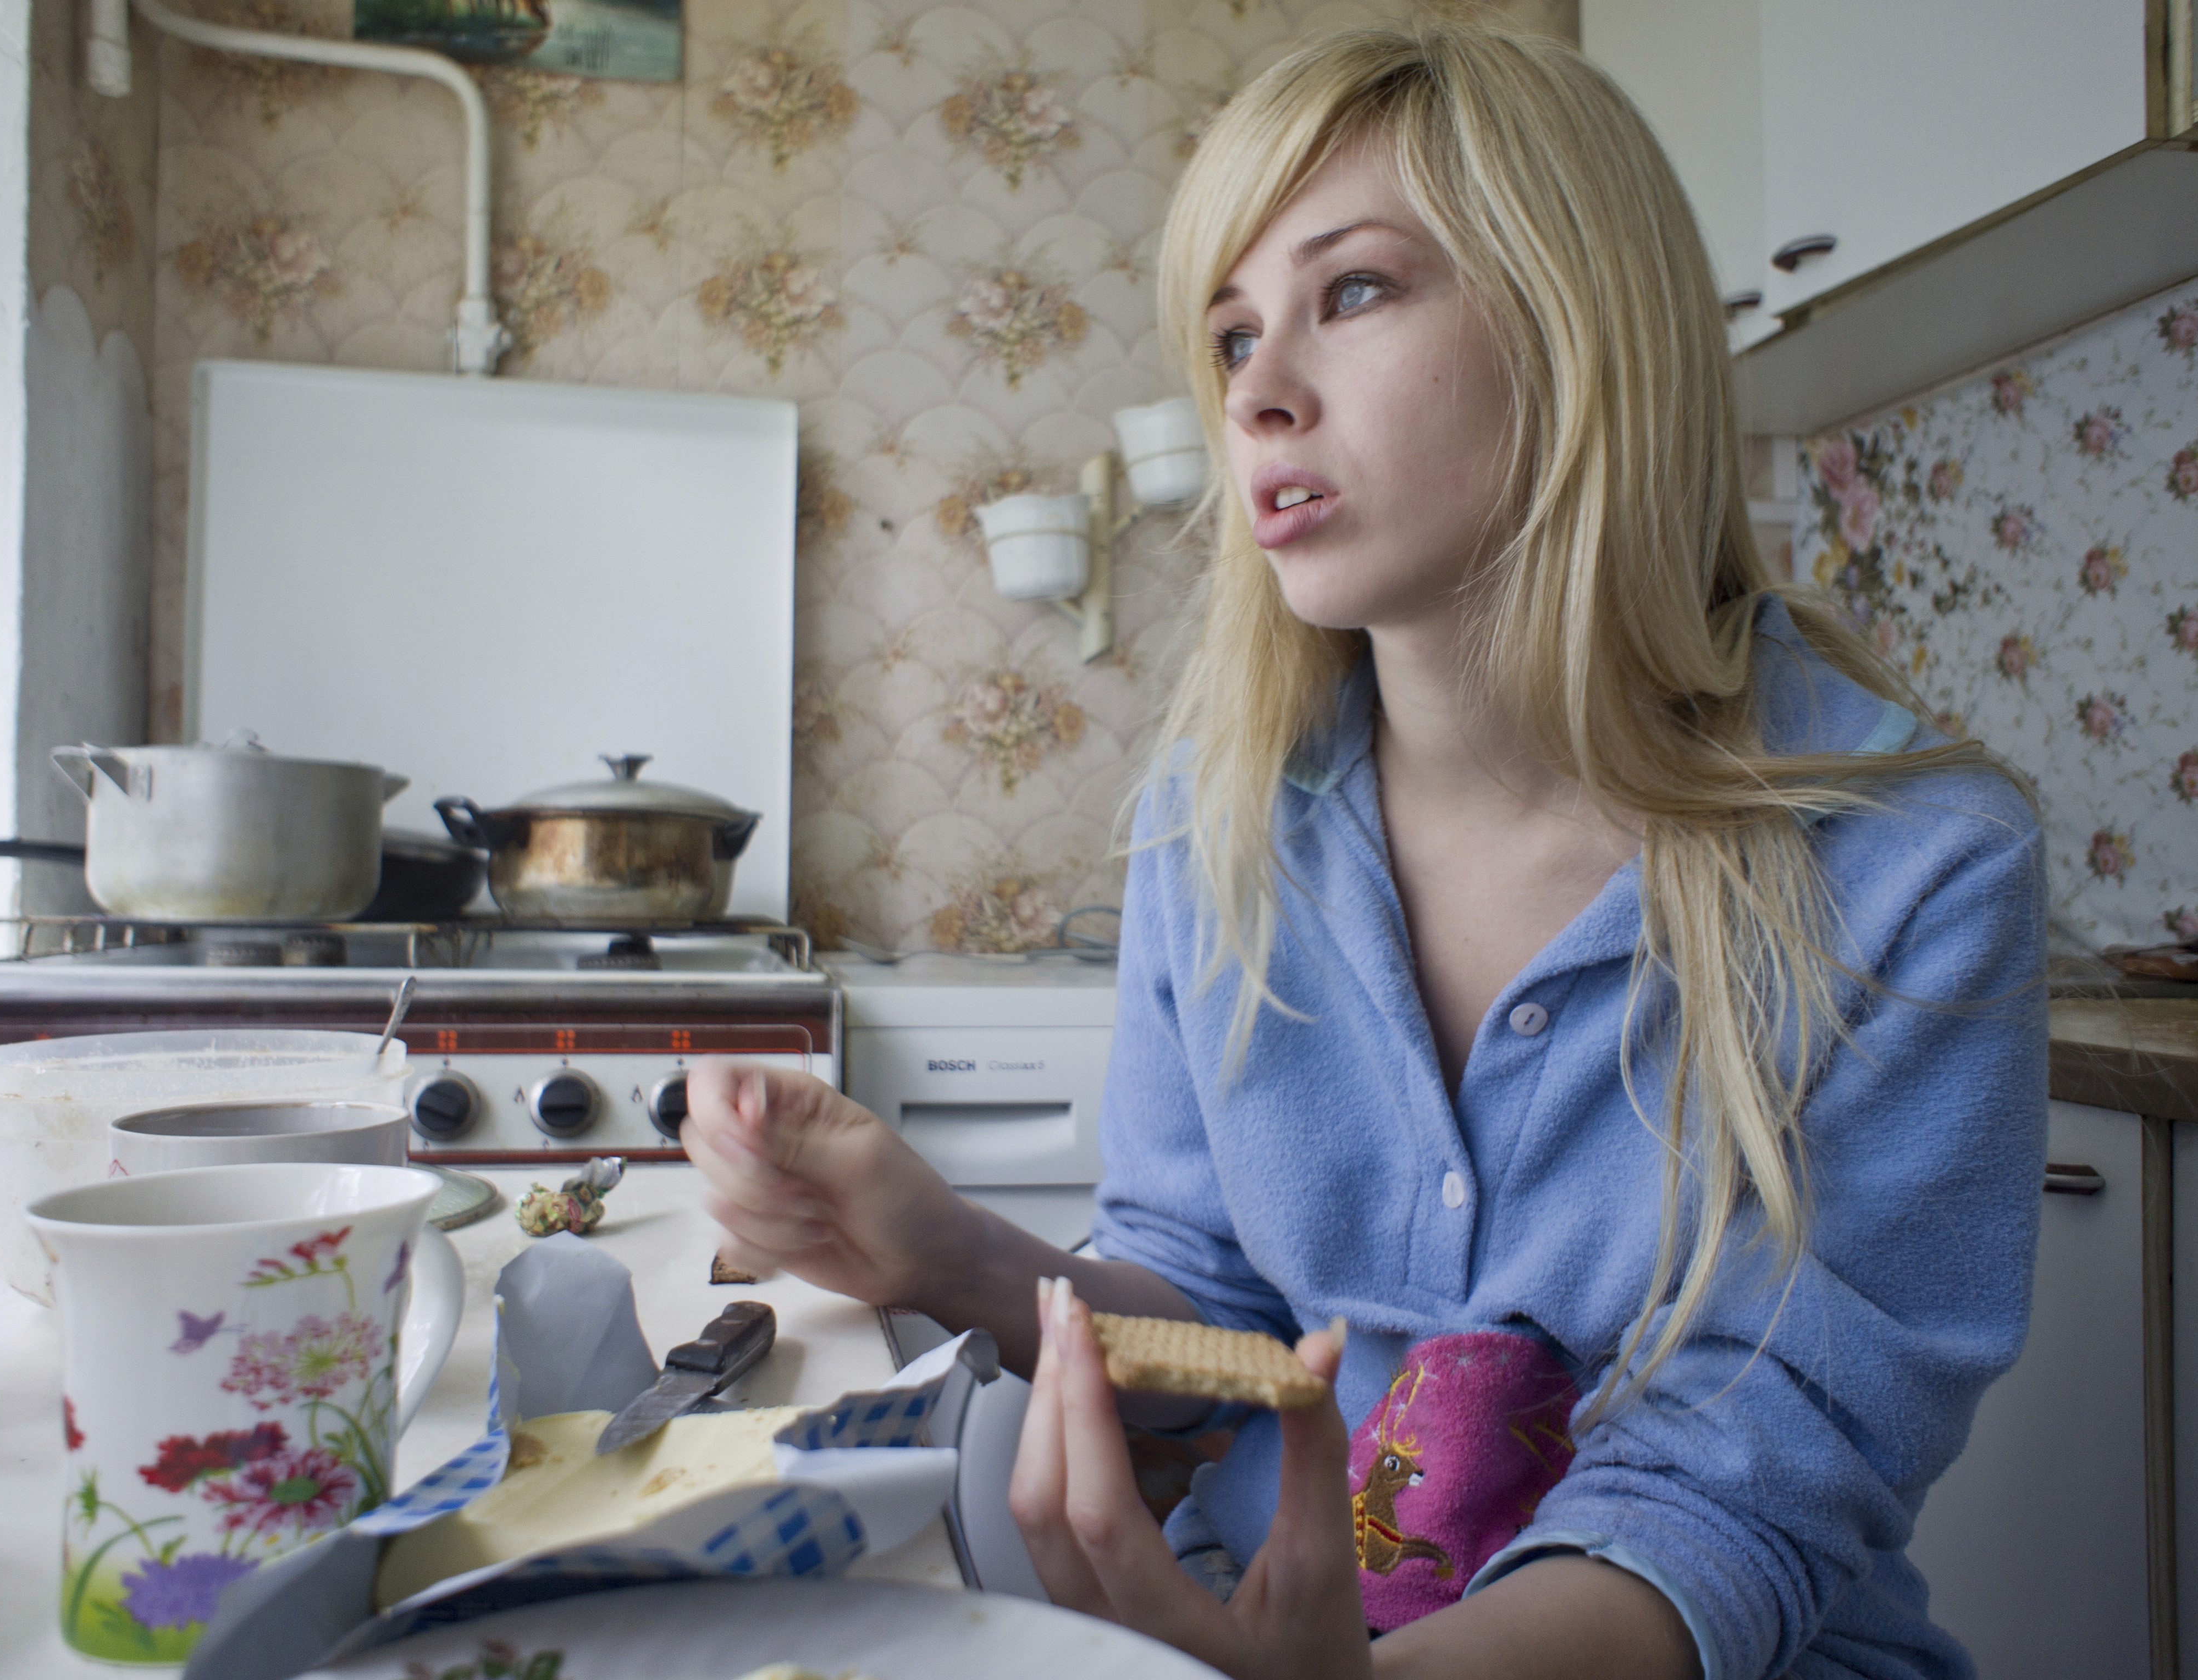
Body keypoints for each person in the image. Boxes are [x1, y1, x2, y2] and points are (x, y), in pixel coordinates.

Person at [683, 23, 2047, 1680]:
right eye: (1234, 330)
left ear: (1578, 323)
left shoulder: (1915, 870)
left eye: (1353, 292)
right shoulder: (1221, 819)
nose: (1256, 390)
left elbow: (1743, 1498)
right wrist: (947, 1250)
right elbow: (1226, 1323)